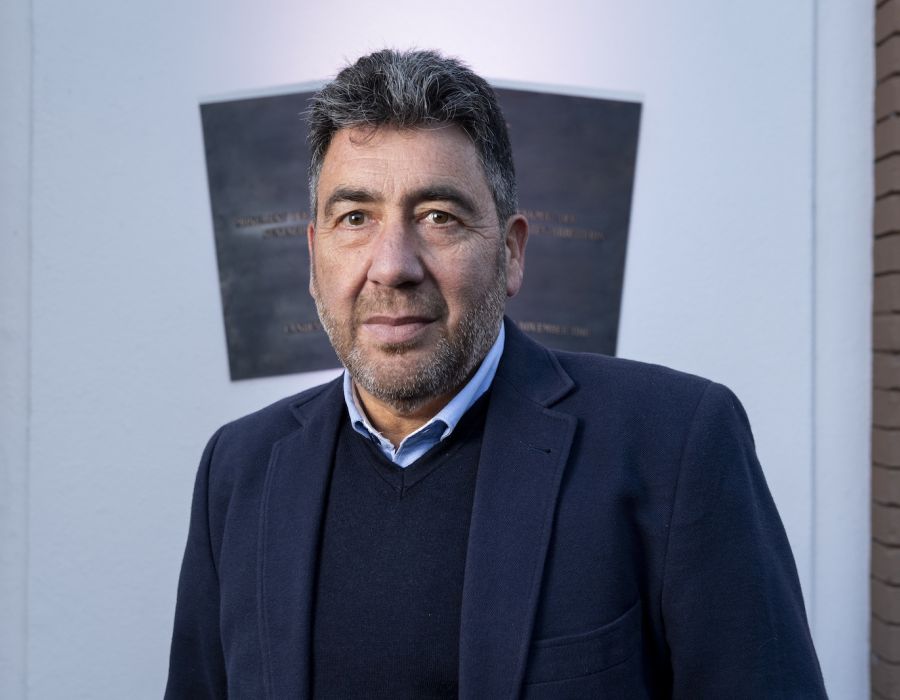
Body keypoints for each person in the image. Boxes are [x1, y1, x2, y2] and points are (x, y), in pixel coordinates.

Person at [165, 49, 826, 699]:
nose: (392, 265)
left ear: (511, 253)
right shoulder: (239, 468)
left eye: (438, 217)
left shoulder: (674, 444)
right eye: (355, 218)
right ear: (314, 259)